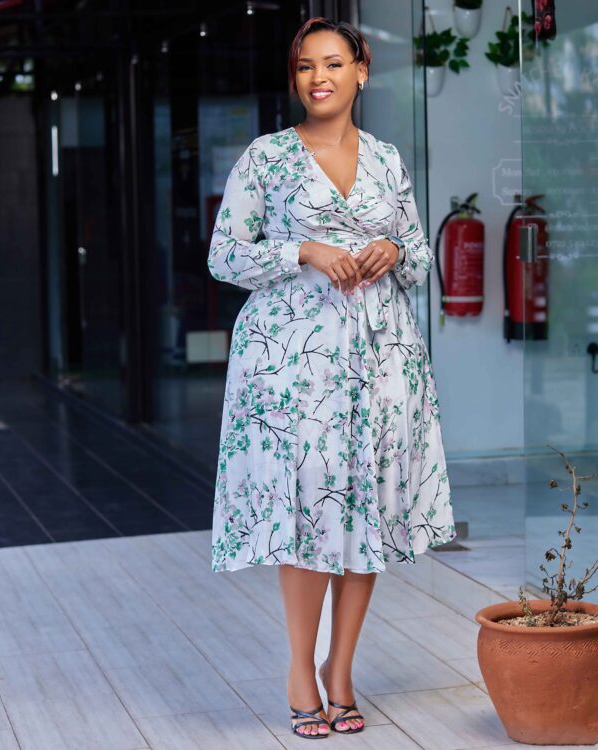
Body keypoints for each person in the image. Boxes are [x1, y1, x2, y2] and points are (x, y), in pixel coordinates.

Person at [207, 16, 457, 740]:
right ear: (297, 78)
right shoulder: (267, 158)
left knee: (368, 514)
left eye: (333, 63)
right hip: (293, 367)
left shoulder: (385, 159)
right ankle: (298, 668)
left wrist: (387, 248)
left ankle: (341, 672)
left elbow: (417, 259)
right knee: (307, 508)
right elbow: (226, 254)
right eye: (306, 66)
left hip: (381, 362)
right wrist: (304, 251)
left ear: (362, 70)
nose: (319, 77)